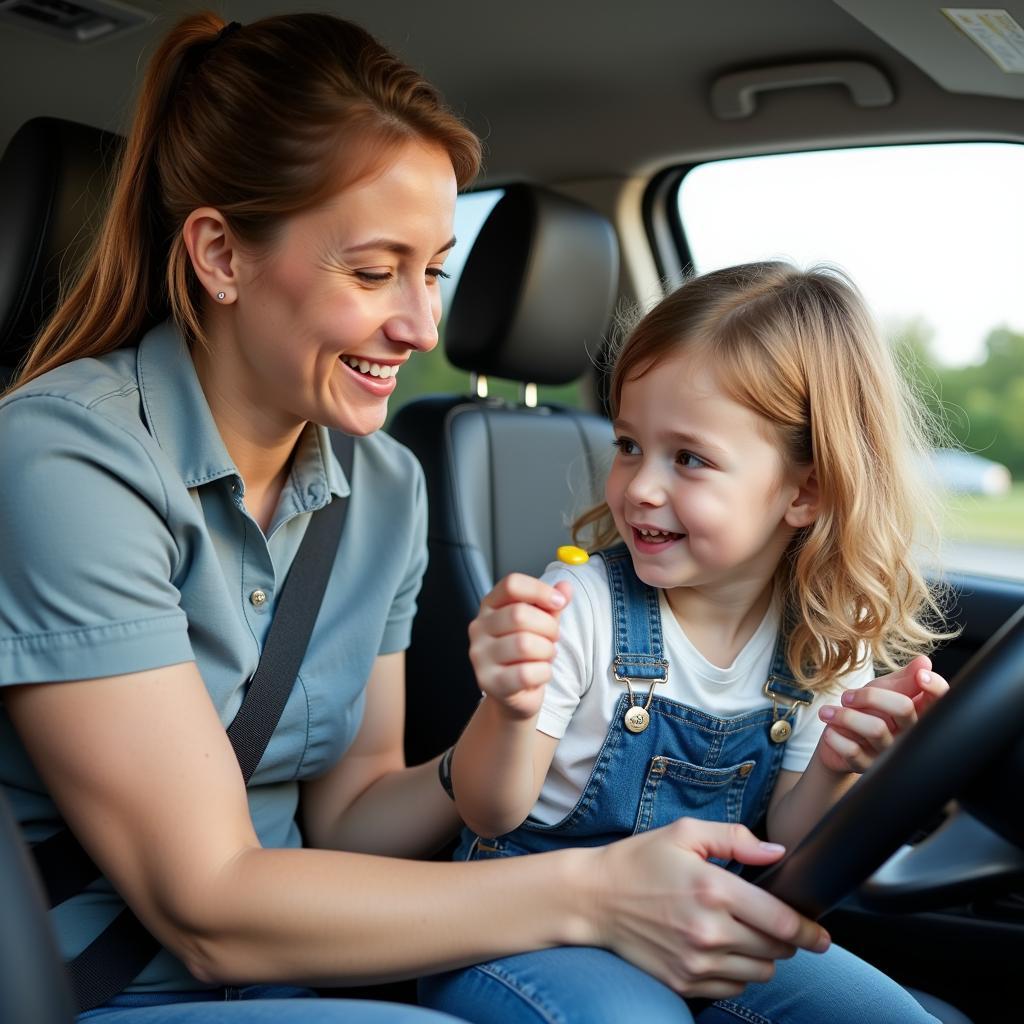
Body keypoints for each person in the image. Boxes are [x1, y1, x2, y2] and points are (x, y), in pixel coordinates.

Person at [0, 13, 833, 1024]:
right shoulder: (60, 460)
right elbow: (206, 905)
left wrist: (501, 726)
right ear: (220, 254)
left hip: (309, 970)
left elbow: (350, 815)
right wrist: (596, 895)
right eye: (371, 270)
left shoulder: (384, 486)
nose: (421, 325)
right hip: (110, 989)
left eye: (432, 268)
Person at [420, 262, 955, 1023]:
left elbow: (792, 835)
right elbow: (489, 811)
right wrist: (509, 708)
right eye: (630, 445)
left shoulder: (823, 641)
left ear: (803, 492)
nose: (639, 486)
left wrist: (840, 761)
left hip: (699, 925)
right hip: (523, 930)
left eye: (690, 459)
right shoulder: (585, 605)